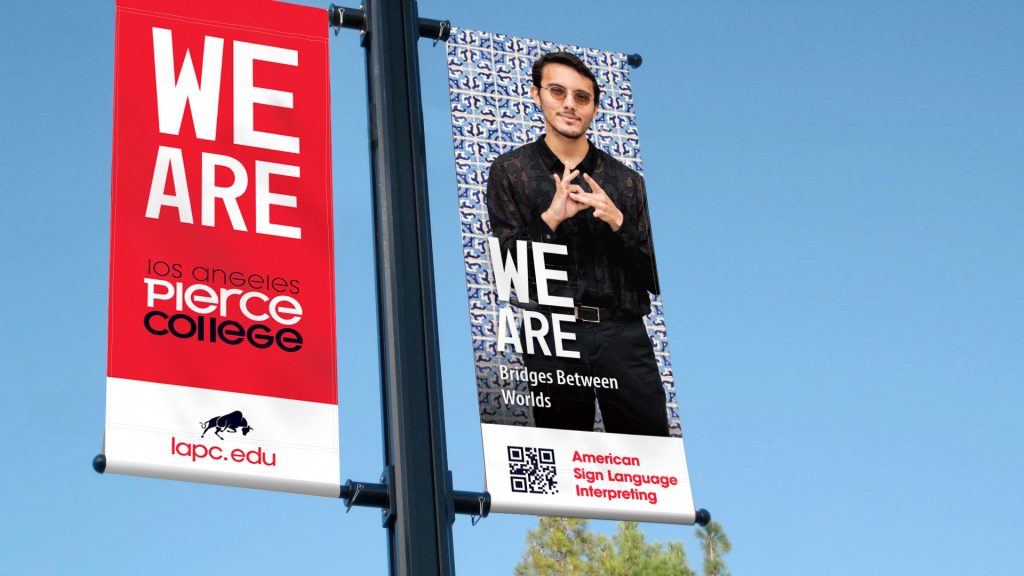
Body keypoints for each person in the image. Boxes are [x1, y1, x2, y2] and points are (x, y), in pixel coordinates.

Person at [486, 51, 669, 437]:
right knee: (566, 462)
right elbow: (508, 270)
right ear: (538, 96)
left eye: (581, 97)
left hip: (623, 333)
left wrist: (620, 223)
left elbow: (656, 277)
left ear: (595, 108)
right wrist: (551, 218)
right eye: (557, 92)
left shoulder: (628, 182)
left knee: (652, 456)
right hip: (552, 332)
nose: (569, 104)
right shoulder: (510, 172)